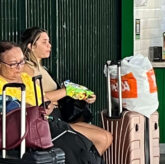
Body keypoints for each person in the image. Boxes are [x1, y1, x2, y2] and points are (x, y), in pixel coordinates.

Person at [20, 27, 113, 156]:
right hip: (48, 121)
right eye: (44, 42)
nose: (49, 45)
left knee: (107, 137)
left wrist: (82, 95)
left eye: (49, 41)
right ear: (31, 46)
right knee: (101, 139)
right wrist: (67, 91)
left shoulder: (42, 68)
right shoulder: (27, 68)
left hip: (60, 117)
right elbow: (38, 98)